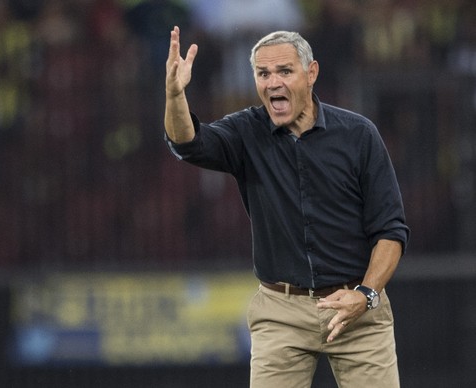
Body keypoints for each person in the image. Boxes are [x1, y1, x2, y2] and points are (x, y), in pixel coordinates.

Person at [164, 26, 410, 387]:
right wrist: (174, 95)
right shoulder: (246, 131)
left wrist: (367, 295)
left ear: (311, 74)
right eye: (263, 74)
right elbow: (188, 143)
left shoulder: (358, 135)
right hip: (281, 310)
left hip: (356, 305)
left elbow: (391, 230)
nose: (272, 82)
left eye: (284, 71)